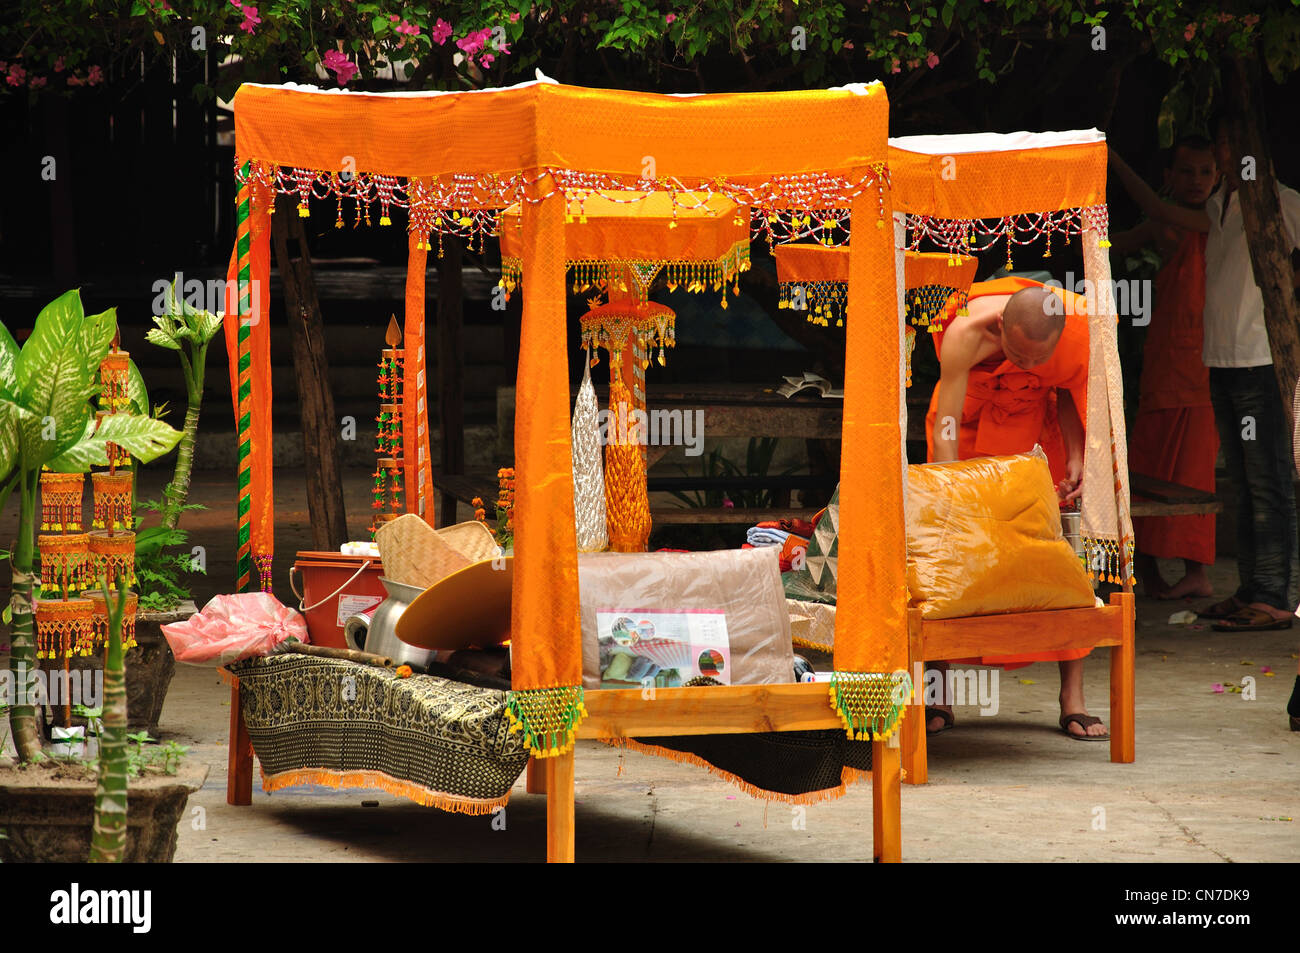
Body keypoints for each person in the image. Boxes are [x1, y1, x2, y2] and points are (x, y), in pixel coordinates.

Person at [1110, 125, 1300, 632]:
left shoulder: (1283, 203)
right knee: (1243, 481)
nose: (1224, 157)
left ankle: (1274, 596)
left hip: (1262, 361)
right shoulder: (1218, 208)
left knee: (1269, 482)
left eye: (1231, 149)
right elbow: (1148, 219)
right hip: (1219, 362)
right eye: (1222, 147)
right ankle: (1251, 591)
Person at [923, 279, 1108, 740]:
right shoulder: (965, 332)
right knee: (946, 559)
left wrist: (1077, 456)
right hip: (964, 430)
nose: (1025, 365)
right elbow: (946, 419)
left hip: (1032, 434)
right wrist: (951, 484)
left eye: (1035, 360)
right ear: (1000, 324)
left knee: (1062, 558)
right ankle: (937, 691)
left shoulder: (1073, 331)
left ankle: (1073, 698)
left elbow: (1067, 390)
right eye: (1017, 354)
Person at [1108, 136, 1220, 599]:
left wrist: (1112, 157)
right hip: (1163, 364)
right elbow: (1108, 249)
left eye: (1206, 172)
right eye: (1187, 172)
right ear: (1170, 176)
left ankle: (1196, 573)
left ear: (1219, 179)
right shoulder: (1163, 227)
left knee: (1195, 472)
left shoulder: (1214, 221)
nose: (1197, 181)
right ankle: (1147, 571)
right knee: (1147, 467)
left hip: (1204, 367)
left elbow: (1155, 205)